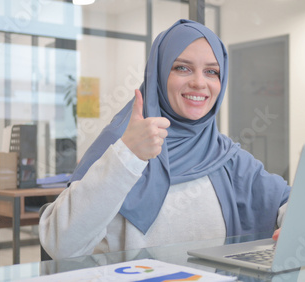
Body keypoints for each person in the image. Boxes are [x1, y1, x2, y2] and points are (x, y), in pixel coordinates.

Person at [39, 19, 291, 260]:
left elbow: (288, 201)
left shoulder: (225, 156)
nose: (199, 82)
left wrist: (293, 223)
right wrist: (128, 156)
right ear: (158, 74)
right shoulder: (121, 144)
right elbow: (62, 246)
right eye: (182, 67)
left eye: (211, 72)